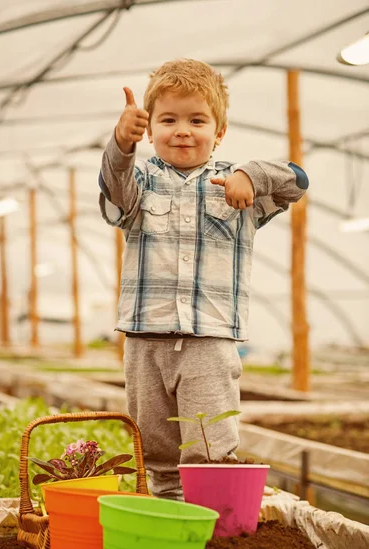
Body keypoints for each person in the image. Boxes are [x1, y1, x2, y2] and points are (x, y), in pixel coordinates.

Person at [98, 58, 308, 500]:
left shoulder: (236, 185)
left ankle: (217, 537)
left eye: (197, 120)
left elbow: (297, 180)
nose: (182, 130)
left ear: (219, 131)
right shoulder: (140, 180)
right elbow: (114, 189)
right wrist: (120, 144)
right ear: (150, 129)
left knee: (210, 444)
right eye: (168, 119)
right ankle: (171, 519)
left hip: (209, 340)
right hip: (144, 339)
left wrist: (250, 174)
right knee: (155, 444)